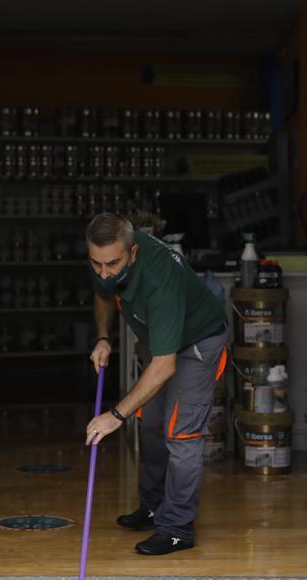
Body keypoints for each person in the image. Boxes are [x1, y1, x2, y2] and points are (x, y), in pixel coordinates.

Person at [83, 213, 228, 555]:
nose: (104, 272)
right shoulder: (108, 258)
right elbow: (103, 292)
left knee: (181, 434)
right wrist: (104, 338)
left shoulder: (160, 279)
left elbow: (165, 366)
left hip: (197, 344)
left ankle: (177, 528)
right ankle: (152, 506)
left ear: (133, 254)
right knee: (150, 426)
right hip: (161, 343)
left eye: (112, 264)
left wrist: (114, 416)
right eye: (96, 264)